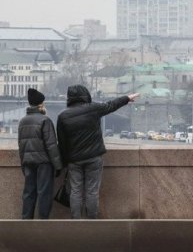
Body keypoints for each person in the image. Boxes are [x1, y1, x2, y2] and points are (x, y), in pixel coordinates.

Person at [56, 85, 139, 219]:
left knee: (75, 191)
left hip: (74, 160)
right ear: (85, 95)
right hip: (94, 158)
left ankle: (75, 221)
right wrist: (126, 98)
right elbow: (111, 105)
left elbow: (62, 142)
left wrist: (65, 161)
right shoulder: (93, 109)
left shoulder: (63, 116)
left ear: (69, 98)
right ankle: (92, 222)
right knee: (92, 191)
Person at [18, 88, 63, 219]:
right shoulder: (45, 120)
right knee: (44, 192)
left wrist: (23, 164)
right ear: (41, 104)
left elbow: (21, 145)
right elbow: (51, 146)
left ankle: (26, 221)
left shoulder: (22, 121)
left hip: (28, 162)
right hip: (43, 163)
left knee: (28, 193)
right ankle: (42, 222)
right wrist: (58, 166)